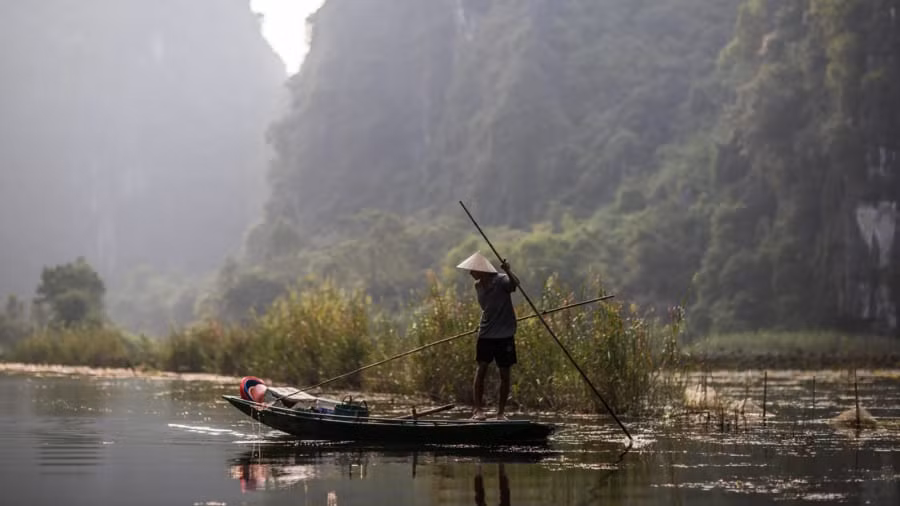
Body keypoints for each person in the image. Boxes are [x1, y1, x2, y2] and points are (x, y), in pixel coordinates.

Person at [456, 251, 519, 421]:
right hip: (486, 333)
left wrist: (508, 270)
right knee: (481, 368)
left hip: (505, 334)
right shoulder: (478, 285)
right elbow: (488, 308)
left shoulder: (501, 280)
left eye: (473, 270)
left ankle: (500, 413)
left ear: (482, 270)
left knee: (504, 373)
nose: (470, 273)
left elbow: (515, 284)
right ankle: (478, 411)